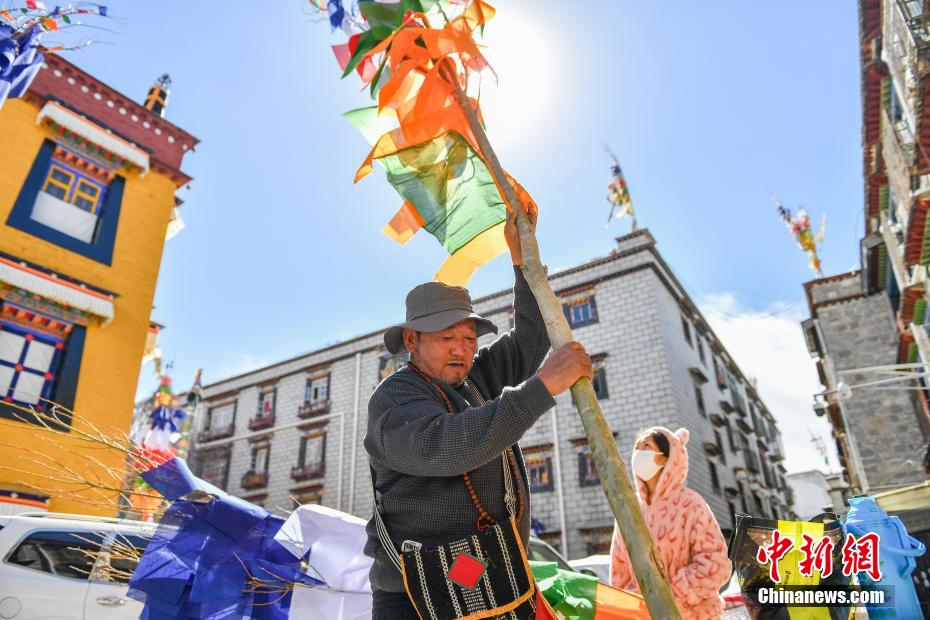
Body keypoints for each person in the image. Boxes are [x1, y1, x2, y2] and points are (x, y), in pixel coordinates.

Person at [364, 203, 594, 619]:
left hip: (493, 580)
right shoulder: (394, 399)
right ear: (412, 341)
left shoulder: (475, 378)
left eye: (469, 338)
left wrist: (522, 257)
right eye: (446, 337)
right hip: (414, 598)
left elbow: (532, 336)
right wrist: (543, 386)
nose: (461, 349)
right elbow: (451, 446)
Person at [610, 427, 731, 619]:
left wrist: (672, 595)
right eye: (637, 448)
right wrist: (633, 604)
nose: (639, 453)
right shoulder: (629, 510)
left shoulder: (690, 504)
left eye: (646, 446)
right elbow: (619, 571)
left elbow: (716, 563)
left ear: (667, 458)